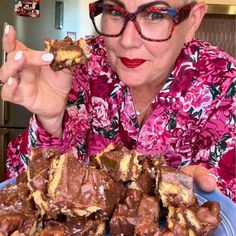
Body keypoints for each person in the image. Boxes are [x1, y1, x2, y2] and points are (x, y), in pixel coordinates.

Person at [0, 0, 235, 202]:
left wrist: (205, 197)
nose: (127, 40)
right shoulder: (80, 67)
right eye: (114, 11)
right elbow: (23, 194)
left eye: (155, 14)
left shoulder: (224, 84)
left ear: (193, 20)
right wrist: (50, 121)